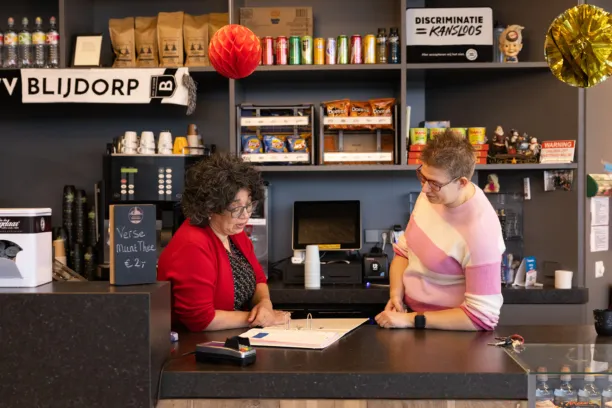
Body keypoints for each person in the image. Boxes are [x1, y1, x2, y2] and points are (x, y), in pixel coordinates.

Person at [375, 130, 505, 331]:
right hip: (414, 321)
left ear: (462, 182)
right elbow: (404, 252)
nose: (425, 189)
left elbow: (482, 318)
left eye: (434, 183)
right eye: (422, 176)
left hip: (453, 336)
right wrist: (396, 295)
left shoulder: (481, 232)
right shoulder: (432, 194)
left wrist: (412, 320)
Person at [157, 153, 287, 332]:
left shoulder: (233, 232)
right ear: (210, 207)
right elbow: (200, 319)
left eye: (249, 205)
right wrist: (260, 319)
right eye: (235, 208)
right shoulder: (192, 245)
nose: (245, 215)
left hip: (230, 337)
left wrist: (265, 304)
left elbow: (258, 279)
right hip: (195, 346)